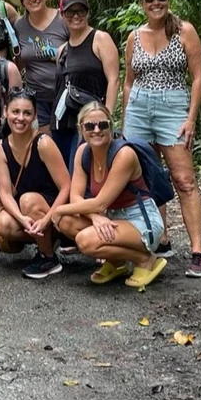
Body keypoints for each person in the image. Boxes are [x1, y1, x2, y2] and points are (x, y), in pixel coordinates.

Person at [122, 0, 201, 277]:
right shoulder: (135, 36)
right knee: (143, 176)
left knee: (183, 179)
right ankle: (161, 239)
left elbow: (198, 77)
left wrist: (191, 118)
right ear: (142, 3)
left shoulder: (184, 31)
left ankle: (197, 251)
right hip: (139, 107)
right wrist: (124, 123)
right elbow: (129, 82)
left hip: (173, 105)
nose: (155, 3)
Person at [52, 102, 167, 288]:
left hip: (140, 221)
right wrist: (94, 217)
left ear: (110, 127)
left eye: (103, 125)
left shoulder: (124, 155)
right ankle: (116, 261)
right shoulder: (83, 152)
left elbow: (99, 203)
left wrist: (58, 209)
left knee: (85, 240)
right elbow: (76, 197)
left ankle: (145, 259)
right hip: (112, 217)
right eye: (90, 126)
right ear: (81, 128)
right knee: (66, 220)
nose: (96, 130)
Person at [0, 87, 71, 279]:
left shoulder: (43, 143)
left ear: (35, 115)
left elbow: (66, 187)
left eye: (27, 113)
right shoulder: (0, 147)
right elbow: (5, 193)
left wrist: (47, 218)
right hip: (28, 210)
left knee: (28, 201)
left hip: (51, 206)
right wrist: (21, 218)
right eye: (15, 112)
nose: (20, 118)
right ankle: (43, 239)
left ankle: (48, 257)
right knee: (2, 223)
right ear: (5, 112)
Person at [51, 0, 120, 170]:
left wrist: (107, 119)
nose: (76, 16)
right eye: (70, 12)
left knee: (81, 172)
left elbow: (114, 80)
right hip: (62, 123)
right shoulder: (62, 51)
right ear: (62, 14)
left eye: (80, 11)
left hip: (90, 123)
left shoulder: (100, 39)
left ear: (88, 12)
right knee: (65, 175)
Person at [11, 0, 68, 131]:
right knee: (45, 146)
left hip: (65, 96)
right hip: (38, 98)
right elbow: (19, 61)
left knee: (68, 144)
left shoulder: (63, 19)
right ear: (22, 0)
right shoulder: (19, 25)